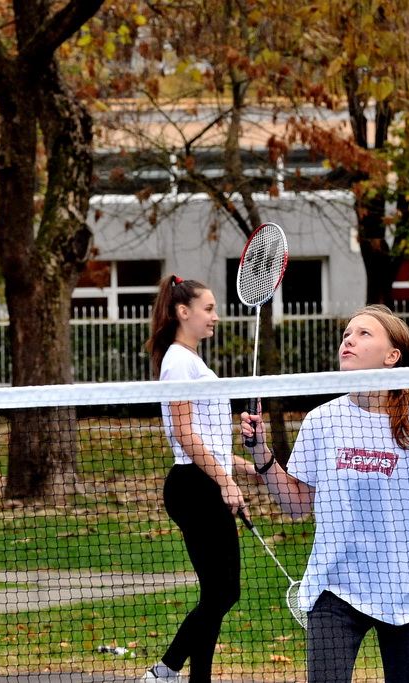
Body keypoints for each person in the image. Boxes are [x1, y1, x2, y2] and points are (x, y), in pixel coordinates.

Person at [241, 304, 409, 683]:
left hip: (408, 592)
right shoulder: (322, 420)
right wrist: (261, 454)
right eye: (347, 333)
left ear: (391, 356)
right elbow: (298, 505)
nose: (349, 339)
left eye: (364, 333)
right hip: (335, 588)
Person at [141, 275, 255, 683]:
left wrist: (244, 466)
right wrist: (224, 481)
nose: (216, 317)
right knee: (223, 593)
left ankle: (193, 678)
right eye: (208, 309)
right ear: (182, 312)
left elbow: (201, 438)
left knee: (220, 593)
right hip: (194, 486)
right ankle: (166, 670)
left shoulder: (191, 359)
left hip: (202, 479)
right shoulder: (177, 361)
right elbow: (185, 434)